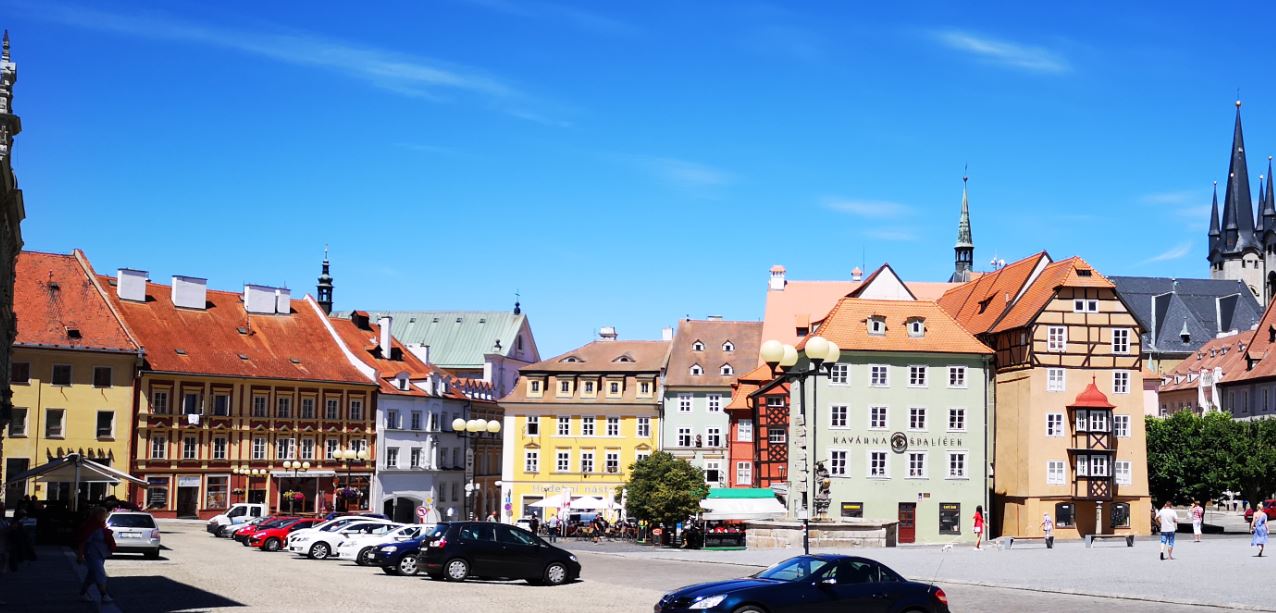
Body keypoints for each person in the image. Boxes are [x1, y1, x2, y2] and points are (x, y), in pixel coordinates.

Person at [77, 507, 116, 603]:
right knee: (100, 573)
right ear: (96, 515)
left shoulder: (101, 525)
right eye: (101, 514)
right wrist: (80, 555)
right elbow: (82, 541)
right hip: (92, 554)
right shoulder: (90, 526)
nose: (103, 516)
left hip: (101, 554)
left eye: (104, 514)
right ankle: (104, 594)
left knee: (92, 575)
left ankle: (83, 593)